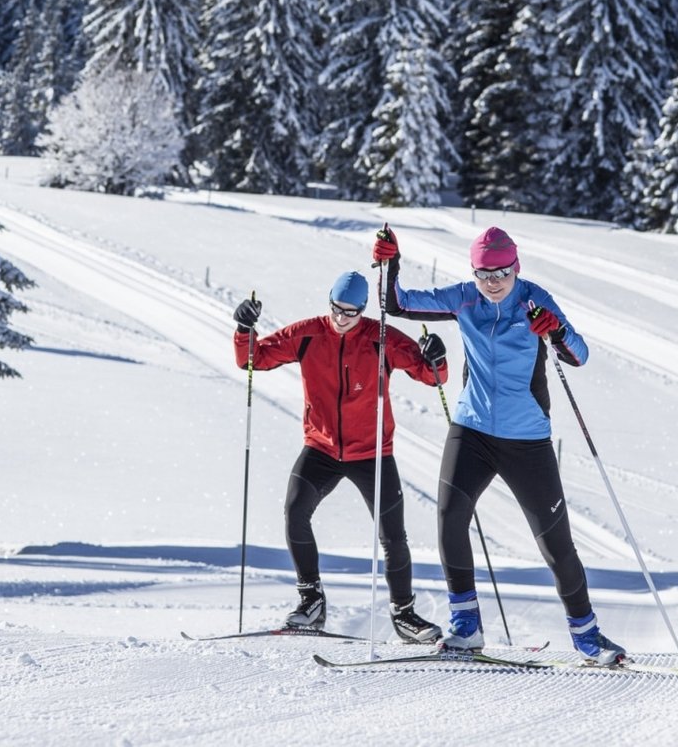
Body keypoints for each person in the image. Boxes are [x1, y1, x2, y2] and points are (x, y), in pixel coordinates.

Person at [374, 224, 628, 665]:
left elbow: (579, 355)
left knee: (555, 543)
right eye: (484, 274)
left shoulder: (534, 300)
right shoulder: (464, 298)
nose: (493, 283)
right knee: (450, 516)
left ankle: (587, 635)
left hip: (526, 438)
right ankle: (466, 625)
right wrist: (389, 262)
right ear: (473, 273)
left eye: (501, 273)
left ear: (516, 268)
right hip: (472, 429)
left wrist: (556, 332)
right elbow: (396, 304)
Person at [233, 271, 448, 642]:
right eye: (337, 309)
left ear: (363, 311)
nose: (342, 318)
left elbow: (432, 377)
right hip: (322, 448)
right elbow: (253, 360)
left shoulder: (380, 339)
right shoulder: (307, 334)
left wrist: (436, 357)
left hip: (372, 453)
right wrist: (243, 328)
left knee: (392, 536)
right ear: (328, 301)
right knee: (296, 511)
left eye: (351, 312)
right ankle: (311, 601)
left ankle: (404, 615)